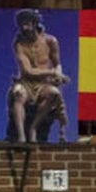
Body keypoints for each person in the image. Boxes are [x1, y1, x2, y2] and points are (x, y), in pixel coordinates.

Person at [8, 9, 70, 143]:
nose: (25, 27)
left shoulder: (50, 40)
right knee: (18, 93)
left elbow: (57, 63)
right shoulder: (19, 44)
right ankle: (21, 136)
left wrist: (58, 75)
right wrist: (52, 72)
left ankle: (33, 128)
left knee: (53, 93)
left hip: (44, 83)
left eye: (28, 24)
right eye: (22, 24)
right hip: (26, 82)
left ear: (35, 23)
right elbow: (28, 71)